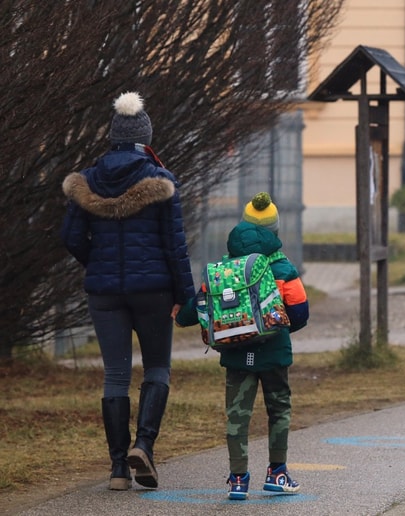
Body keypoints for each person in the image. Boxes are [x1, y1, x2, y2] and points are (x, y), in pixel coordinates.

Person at [60, 91, 195, 490]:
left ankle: (118, 469)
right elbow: (175, 246)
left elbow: (71, 237)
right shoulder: (161, 181)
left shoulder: (87, 180)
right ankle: (144, 447)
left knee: (116, 375)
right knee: (157, 368)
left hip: (105, 295)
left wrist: (98, 263)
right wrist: (185, 296)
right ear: (145, 139)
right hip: (154, 291)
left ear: (112, 137)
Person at [176, 192, 309, 500]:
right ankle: (277, 473)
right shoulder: (283, 269)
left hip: (236, 355)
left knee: (237, 415)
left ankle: (238, 479)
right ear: (274, 230)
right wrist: (275, 327)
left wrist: (180, 317)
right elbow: (300, 314)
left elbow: (194, 309)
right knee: (279, 410)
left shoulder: (226, 269)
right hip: (275, 354)